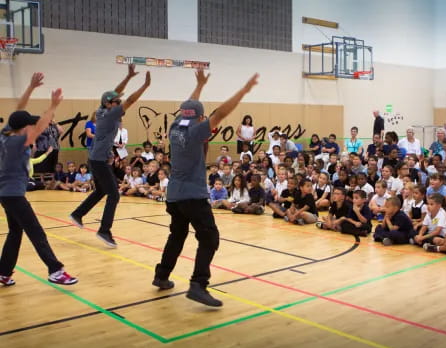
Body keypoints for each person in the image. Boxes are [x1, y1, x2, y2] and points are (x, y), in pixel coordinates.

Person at [152, 69, 259, 307]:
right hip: (192, 195)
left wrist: (199, 85)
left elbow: (191, 107)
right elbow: (221, 112)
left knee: (177, 235)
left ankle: (162, 275)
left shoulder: (177, 126)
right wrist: (244, 90)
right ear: (201, 118)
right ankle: (198, 285)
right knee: (210, 238)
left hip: (174, 195)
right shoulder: (195, 130)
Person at [0, 77, 77, 286]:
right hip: (14, 195)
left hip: (6, 194)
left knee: (16, 231)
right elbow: (41, 126)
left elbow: (18, 110)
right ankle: (55, 270)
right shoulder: (18, 141)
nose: (32, 126)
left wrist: (31, 88)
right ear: (24, 128)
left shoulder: (6, 134)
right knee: (36, 231)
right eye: (29, 125)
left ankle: (3, 272)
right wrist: (53, 105)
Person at [70, 64, 151, 247]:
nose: (118, 103)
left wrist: (129, 77)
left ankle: (77, 214)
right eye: (116, 102)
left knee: (101, 190)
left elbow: (115, 93)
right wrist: (145, 86)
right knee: (113, 195)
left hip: (96, 157)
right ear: (109, 104)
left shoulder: (102, 109)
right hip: (98, 160)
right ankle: (104, 231)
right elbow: (129, 100)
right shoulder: (111, 113)